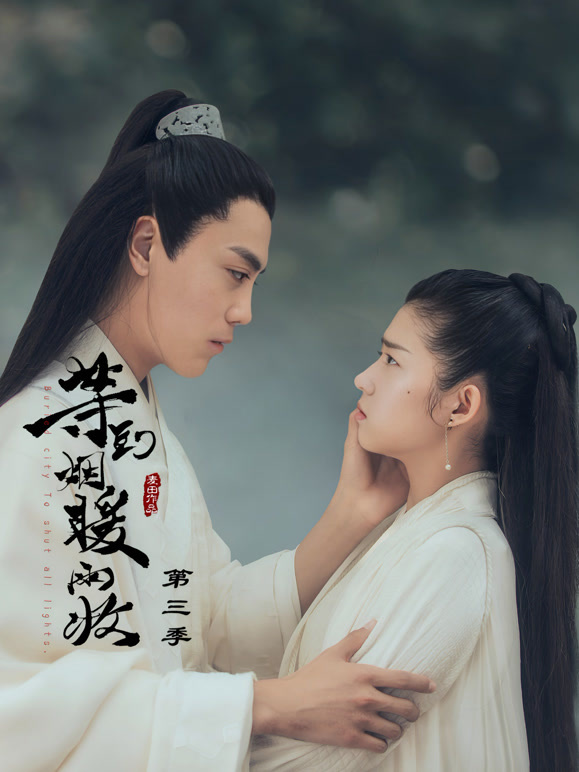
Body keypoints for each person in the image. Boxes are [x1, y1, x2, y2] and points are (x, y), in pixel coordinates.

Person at [0, 91, 434, 772]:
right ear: (146, 245)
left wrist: (353, 512)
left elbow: (200, 623)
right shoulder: (47, 434)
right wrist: (267, 705)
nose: (244, 311)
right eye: (234, 274)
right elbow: (22, 711)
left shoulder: (134, 423)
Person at [249, 269, 578, 771]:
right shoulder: (415, 532)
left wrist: (185, 729)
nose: (364, 378)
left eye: (391, 360)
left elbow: (313, 759)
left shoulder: (453, 557)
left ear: (460, 405)